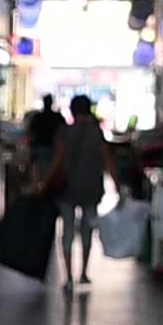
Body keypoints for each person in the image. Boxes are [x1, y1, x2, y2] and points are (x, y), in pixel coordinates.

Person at [54, 92, 110, 292]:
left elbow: (59, 159)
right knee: (87, 229)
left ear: (72, 110)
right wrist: (117, 182)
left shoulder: (64, 132)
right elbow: (106, 158)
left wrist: (46, 182)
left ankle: (68, 277)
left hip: (67, 187)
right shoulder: (97, 132)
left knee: (67, 231)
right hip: (91, 186)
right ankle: (83, 273)